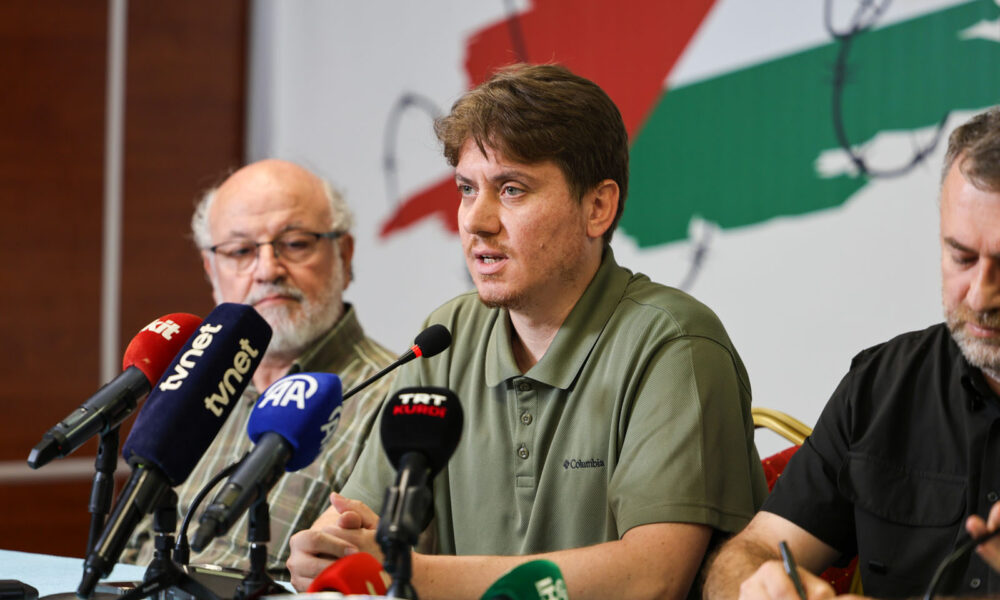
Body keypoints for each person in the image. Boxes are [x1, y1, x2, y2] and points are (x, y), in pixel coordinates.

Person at [286, 64, 767, 600]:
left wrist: (409, 573)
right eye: (467, 189)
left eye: (511, 190)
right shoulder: (446, 334)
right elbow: (363, 519)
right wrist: (328, 547)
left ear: (598, 207)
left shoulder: (675, 344)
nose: (476, 221)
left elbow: (652, 577)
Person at [702, 106, 1000, 600]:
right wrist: (757, 586)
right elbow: (753, 550)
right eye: (961, 256)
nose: (980, 294)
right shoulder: (883, 385)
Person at [121, 159, 397, 575]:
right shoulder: (189, 387)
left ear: (344, 254)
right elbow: (129, 551)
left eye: (296, 243)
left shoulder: (392, 395)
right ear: (211, 270)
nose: (268, 270)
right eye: (240, 251)